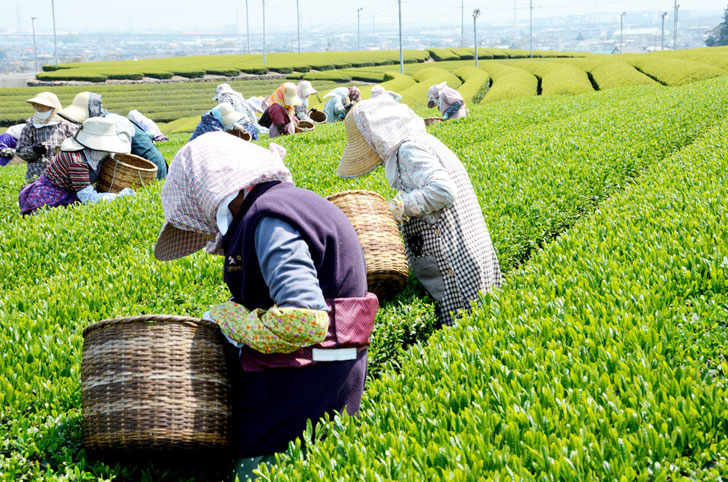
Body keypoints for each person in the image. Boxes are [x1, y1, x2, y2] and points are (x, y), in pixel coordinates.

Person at [153, 131, 378, 481]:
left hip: (297, 392)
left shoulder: (268, 219)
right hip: (323, 381)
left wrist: (230, 320)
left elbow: (304, 320)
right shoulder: (290, 203)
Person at [337, 95, 500, 326]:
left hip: (451, 260)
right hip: (468, 250)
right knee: (481, 322)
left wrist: (400, 206)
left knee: (463, 327)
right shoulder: (425, 142)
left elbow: (442, 191)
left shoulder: (409, 150)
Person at [18, 117, 134, 216]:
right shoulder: (77, 162)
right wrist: (120, 197)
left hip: (64, 193)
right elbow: (88, 198)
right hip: (48, 201)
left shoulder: (85, 151)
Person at [58, 91, 168, 179]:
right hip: (136, 170)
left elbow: (122, 154)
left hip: (150, 168)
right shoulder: (100, 124)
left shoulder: (114, 122)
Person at [15, 92, 78, 182]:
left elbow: (79, 148)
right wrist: (34, 149)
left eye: (42, 105)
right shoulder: (30, 127)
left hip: (62, 178)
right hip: (35, 177)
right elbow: (20, 151)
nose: (38, 108)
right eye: (36, 105)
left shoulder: (66, 126)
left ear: (53, 107)